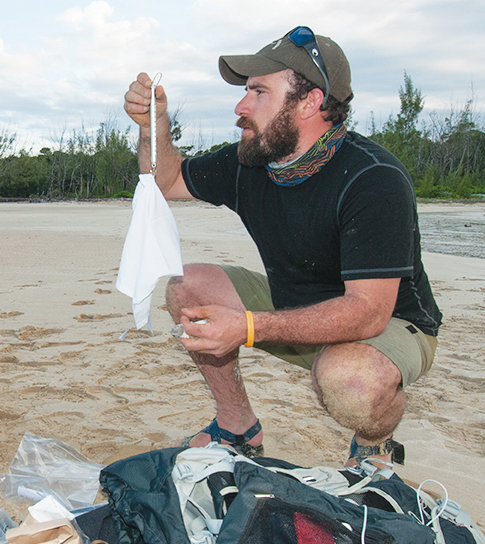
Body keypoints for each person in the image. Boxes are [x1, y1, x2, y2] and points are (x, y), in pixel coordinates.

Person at [123, 27, 441, 468]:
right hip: (293, 303)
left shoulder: (373, 179)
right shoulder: (250, 162)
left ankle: (374, 446)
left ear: (310, 102)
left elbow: (368, 310)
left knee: (351, 382)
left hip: (390, 324)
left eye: (258, 92)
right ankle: (237, 428)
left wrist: (249, 327)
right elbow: (166, 180)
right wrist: (153, 127)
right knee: (187, 287)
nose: (240, 107)